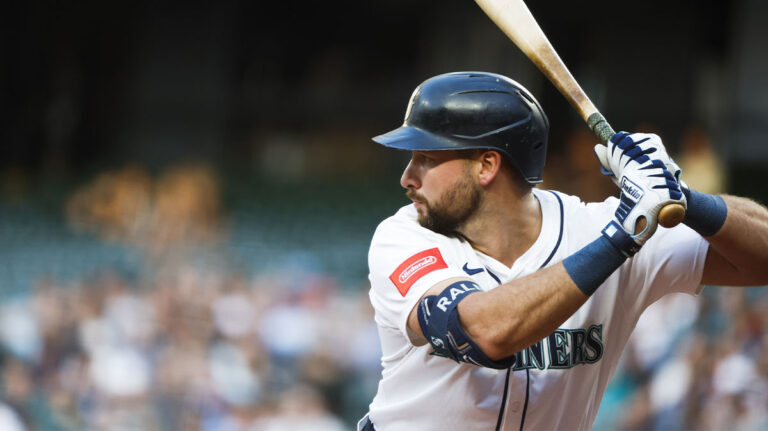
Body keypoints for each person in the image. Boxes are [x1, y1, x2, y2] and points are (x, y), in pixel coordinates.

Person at [358, 71, 768, 431]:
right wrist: (621, 238)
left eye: (425, 158)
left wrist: (684, 196)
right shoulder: (404, 235)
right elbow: (486, 333)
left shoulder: (600, 227)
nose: (407, 178)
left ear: (486, 166)